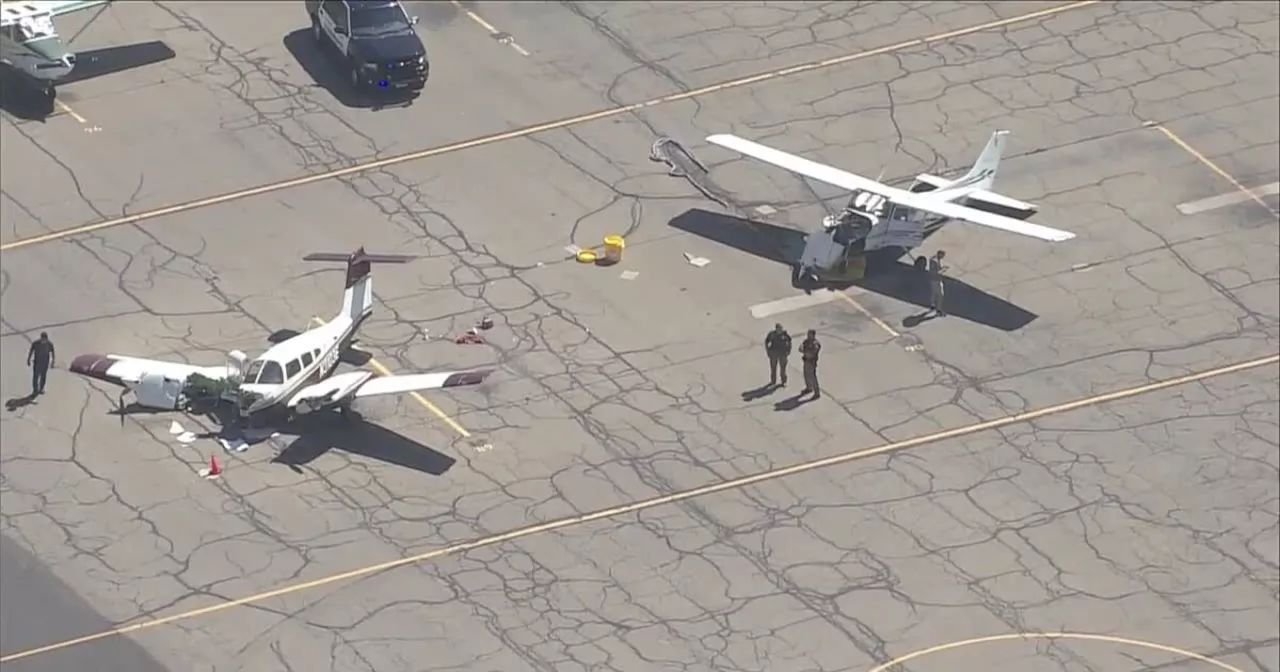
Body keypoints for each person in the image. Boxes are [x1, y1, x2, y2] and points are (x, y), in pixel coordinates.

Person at [27, 332, 55, 396]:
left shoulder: (49, 344)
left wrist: (53, 362)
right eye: (43, 339)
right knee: (36, 376)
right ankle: (35, 389)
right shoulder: (35, 344)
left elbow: (53, 353)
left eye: (45, 340)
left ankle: (41, 388)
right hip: (37, 363)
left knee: (43, 376)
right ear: (41, 338)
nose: (44, 341)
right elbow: (31, 351)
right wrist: (28, 359)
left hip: (45, 363)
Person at [799, 329, 821, 398]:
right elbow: (800, 348)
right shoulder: (806, 341)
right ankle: (808, 388)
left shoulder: (815, 343)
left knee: (812, 377)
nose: (808, 335)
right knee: (806, 375)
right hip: (806, 360)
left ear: (813, 335)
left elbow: (813, 352)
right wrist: (803, 350)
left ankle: (817, 393)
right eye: (808, 334)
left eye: (809, 334)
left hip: (811, 362)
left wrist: (805, 351)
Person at [928, 250, 947, 316]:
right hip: (936, 280)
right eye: (942, 255)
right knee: (940, 295)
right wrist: (943, 270)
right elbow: (937, 272)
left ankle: (932, 305)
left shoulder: (934, 259)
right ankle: (939, 310)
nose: (943, 257)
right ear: (939, 254)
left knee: (934, 293)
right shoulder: (935, 261)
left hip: (933, 279)